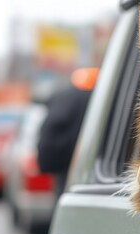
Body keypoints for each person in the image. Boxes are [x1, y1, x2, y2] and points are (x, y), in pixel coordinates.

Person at [37, 68, 99, 198]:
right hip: (95, 165)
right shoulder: (100, 98)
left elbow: (50, 129)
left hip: (65, 165)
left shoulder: (64, 97)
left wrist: (47, 163)